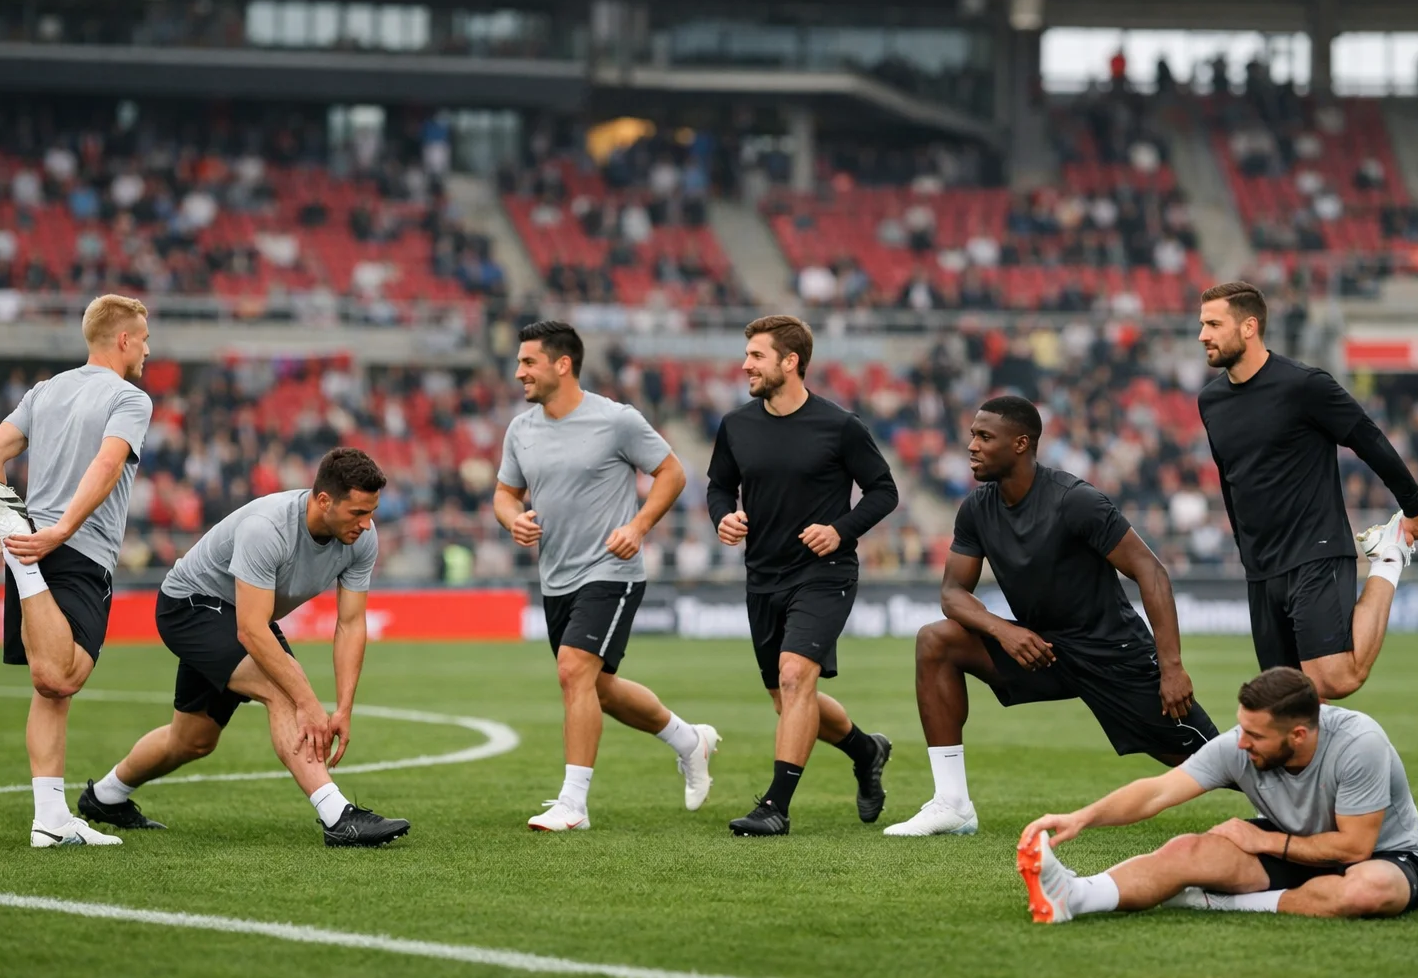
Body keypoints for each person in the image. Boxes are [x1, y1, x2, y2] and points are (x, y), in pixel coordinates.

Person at [884, 396, 1218, 837]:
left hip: (1111, 652)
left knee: (1214, 761)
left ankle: (1306, 799)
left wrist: (1172, 666)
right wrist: (1004, 631)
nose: (972, 446)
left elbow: (1150, 571)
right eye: (972, 436)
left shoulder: (1074, 500)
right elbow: (952, 593)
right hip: (1041, 651)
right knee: (936, 641)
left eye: (985, 437)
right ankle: (952, 804)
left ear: (1021, 444)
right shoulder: (976, 509)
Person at [77, 448, 411, 848]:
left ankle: (104, 798)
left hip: (238, 612)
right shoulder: (266, 528)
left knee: (193, 740)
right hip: (189, 606)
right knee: (284, 688)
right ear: (324, 500)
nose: (367, 523)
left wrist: (343, 708)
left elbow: (351, 623)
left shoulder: (362, 539)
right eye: (358, 512)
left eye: (371, 512)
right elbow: (252, 630)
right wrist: (306, 700)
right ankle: (337, 816)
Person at [494, 320, 717, 832]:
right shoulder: (520, 429)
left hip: (611, 572)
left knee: (574, 670)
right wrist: (514, 519)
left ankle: (573, 803)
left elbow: (673, 472)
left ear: (562, 364)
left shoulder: (616, 420)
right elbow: (505, 493)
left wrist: (638, 527)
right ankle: (690, 740)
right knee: (600, 689)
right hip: (557, 578)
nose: (518, 372)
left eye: (528, 362)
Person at [1018, 667, 1418, 923]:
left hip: (1382, 857)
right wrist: (1081, 818)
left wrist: (1264, 840)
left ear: (1299, 735)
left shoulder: (1360, 744)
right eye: (1241, 728)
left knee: (1366, 891)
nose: (1240, 743)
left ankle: (1223, 904)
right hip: (1292, 850)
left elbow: (1354, 848)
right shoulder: (1241, 744)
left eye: (1255, 735)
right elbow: (1157, 792)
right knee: (1186, 852)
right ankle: (1075, 896)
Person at [706, 314, 899, 836]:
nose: (745, 364)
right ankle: (866, 749)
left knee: (795, 678)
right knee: (788, 697)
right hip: (762, 575)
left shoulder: (840, 425)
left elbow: (884, 491)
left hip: (825, 572)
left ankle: (775, 807)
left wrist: (840, 530)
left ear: (790, 363)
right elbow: (719, 487)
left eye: (756, 356)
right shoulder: (736, 425)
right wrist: (722, 515)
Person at [0, 294, 154, 848]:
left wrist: (12, 526)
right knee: (63, 676)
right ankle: (51, 817)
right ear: (123, 340)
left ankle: (49, 818)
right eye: (144, 338)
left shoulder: (45, 391)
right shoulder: (129, 397)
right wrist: (58, 531)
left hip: (31, 541)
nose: (147, 348)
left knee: (52, 694)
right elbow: (107, 464)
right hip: (72, 550)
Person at [1197, 281, 1418, 698]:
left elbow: (1368, 438)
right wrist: (1246, 554)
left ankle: (1390, 554)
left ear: (1249, 326)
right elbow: (1230, 479)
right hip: (1262, 567)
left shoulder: (1304, 385)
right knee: (1287, 702)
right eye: (1202, 324)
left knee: (1335, 679)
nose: (1203, 335)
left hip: (1315, 548)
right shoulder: (1210, 401)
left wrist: (1413, 505)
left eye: (1214, 324)